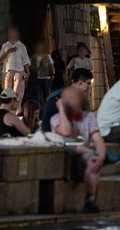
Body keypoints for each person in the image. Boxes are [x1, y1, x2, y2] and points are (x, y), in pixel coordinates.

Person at [45, 74, 107, 212]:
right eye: (65, 98)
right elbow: (65, 132)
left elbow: (97, 139)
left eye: (72, 98)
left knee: (92, 161)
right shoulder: (55, 118)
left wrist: (101, 156)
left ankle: (90, 200)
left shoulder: (88, 117)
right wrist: (61, 109)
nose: (68, 101)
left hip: (82, 156)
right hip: (63, 155)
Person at [0, 26, 31, 102]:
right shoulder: (5, 45)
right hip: (8, 71)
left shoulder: (22, 46)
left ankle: (16, 108)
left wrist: (28, 72)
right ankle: (8, 108)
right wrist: (8, 51)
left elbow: (25, 60)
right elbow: (0, 60)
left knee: (17, 92)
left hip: (19, 71)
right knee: (8, 92)